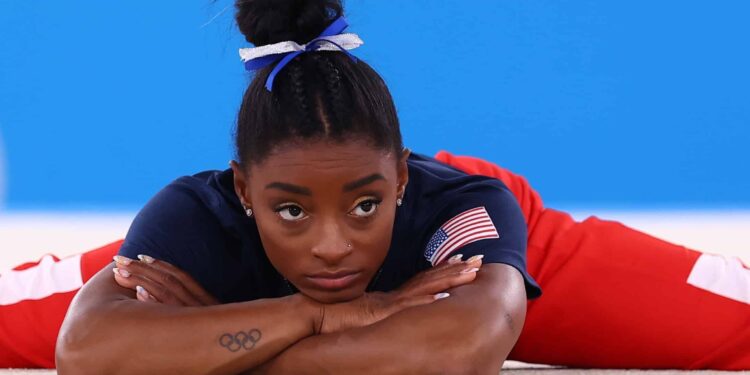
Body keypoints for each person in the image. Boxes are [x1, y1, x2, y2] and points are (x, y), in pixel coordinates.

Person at [1, 0, 748, 372]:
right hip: (258, 284)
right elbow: (90, 349)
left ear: (397, 181)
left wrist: (208, 354)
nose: (332, 245)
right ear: (243, 192)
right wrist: (326, 316)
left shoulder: (461, 209)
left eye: (364, 203)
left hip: (487, 269)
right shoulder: (197, 219)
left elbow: (462, 344)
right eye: (291, 208)